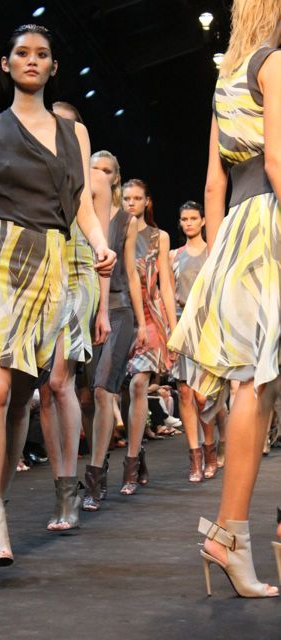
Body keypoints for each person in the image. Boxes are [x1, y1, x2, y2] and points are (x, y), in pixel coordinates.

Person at [0, 24, 115, 568]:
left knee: (21, 396)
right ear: (6, 63)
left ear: (53, 67)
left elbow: (81, 205)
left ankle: (1, 501)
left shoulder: (74, 134)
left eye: (42, 54)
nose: (32, 60)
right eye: (22, 53)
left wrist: (99, 244)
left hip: (53, 263)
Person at [168, 0, 281, 597]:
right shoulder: (273, 65)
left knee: (255, 383)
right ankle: (231, 533)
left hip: (236, 228)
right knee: (257, 384)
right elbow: (279, 162)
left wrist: (213, 261)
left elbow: (213, 184)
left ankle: (232, 534)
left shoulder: (227, 77)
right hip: (271, 223)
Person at [38, 103, 112, 531]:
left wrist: (103, 309)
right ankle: (60, 486)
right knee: (44, 391)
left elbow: (101, 245)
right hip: (40, 272)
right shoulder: (36, 170)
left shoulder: (96, 180)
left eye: (69, 124)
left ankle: (69, 493)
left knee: (58, 381)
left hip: (80, 273)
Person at [78, 150, 147, 511]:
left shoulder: (125, 220)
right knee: (88, 397)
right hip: (85, 309)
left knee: (104, 390)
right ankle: (102, 459)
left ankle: (94, 478)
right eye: (95, 169)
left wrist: (143, 323)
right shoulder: (78, 214)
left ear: (116, 177)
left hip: (119, 310)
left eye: (107, 170)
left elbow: (132, 274)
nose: (101, 175)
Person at [121, 179, 177, 495]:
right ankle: (137, 449)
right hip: (121, 313)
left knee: (139, 384)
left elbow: (165, 283)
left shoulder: (159, 237)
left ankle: (130, 466)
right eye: (126, 198)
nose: (131, 203)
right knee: (120, 393)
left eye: (136, 198)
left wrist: (173, 326)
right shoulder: (114, 233)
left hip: (151, 315)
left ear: (147, 202)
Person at [169, 201, 216, 482]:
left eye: (193, 218)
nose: (188, 223)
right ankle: (195, 457)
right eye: (184, 219)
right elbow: (166, 292)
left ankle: (211, 448)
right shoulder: (174, 256)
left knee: (202, 395)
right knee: (185, 392)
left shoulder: (213, 252)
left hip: (206, 325)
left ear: (203, 221)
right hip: (181, 324)